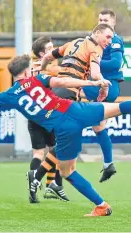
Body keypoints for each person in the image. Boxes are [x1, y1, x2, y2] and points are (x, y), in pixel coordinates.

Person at [0, 54, 131, 217]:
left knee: (67, 172)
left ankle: (101, 205)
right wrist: (92, 83)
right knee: (117, 108)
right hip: (74, 109)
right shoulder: (37, 79)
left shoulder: (8, 95)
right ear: (26, 71)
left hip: (64, 127)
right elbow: (61, 83)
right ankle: (99, 206)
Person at [29, 23, 114, 202]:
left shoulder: (73, 43)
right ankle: (39, 179)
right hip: (68, 97)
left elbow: (49, 56)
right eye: (107, 36)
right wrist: (103, 82)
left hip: (57, 94)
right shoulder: (95, 47)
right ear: (97, 33)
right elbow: (96, 73)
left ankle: (47, 182)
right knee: (64, 146)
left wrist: (41, 69)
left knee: (61, 144)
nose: (109, 41)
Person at [82, 9, 124, 182]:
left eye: (105, 19)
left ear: (113, 23)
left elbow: (115, 63)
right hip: (100, 85)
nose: (102, 21)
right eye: (100, 19)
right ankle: (108, 164)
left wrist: (94, 62)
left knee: (73, 90)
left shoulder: (114, 40)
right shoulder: (93, 40)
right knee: (98, 127)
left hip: (109, 85)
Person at [28, 36, 69, 202]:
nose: (53, 50)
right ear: (41, 53)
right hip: (49, 113)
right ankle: (54, 185)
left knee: (38, 153)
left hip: (33, 114)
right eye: (50, 47)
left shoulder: (30, 67)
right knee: (56, 149)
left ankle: (35, 188)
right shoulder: (50, 68)